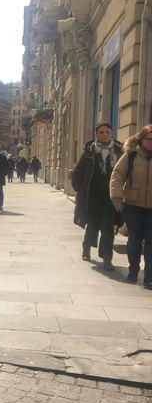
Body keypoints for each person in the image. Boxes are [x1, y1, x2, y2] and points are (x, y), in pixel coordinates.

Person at [72, 122, 123, 270]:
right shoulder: (89, 151)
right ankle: (86, 247)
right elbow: (78, 172)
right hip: (92, 196)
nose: (104, 135)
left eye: (107, 132)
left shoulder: (119, 150)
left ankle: (107, 257)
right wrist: (80, 189)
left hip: (110, 197)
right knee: (92, 224)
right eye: (101, 132)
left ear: (111, 133)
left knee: (108, 227)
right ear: (96, 134)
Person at [110, 123, 152, 288]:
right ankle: (133, 270)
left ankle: (149, 277)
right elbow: (117, 175)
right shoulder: (131, 155)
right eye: (148, 139)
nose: (151, 142)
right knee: (135, 240)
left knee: (151, 241)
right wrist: (117, 197)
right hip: (133, 205)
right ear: (141, 139)